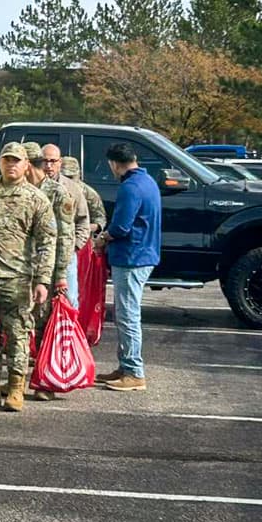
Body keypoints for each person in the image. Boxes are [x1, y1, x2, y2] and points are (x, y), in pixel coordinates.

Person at [0, 142, 56, 413]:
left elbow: (48, 241)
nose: (11, 165)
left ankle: (15, 387)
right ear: (0, 163)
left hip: (18, 278)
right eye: (6, 160)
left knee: (18, 334)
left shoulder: (36, 199)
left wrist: (43, 281)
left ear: (26, 165)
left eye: (17, 161)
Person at [93, 142, 161, 392]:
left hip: (132, 257)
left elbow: (121, 227)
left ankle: (134, 371)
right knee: (126, 313)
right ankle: (125, 366)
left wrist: (103, 237)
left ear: (114, 163)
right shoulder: (148, 182)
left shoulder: (130, 187)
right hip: (144, 254)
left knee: (128, 315)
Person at [23, 142, 75, 402]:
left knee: (44, 326)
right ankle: (17, 378)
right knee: (20, 325)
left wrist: (62, 273)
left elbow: (65, 236)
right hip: (22, 267)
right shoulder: (20, 190)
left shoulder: (57, 193)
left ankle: (45, 381)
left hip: (48, 267)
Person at [43, 144, 89, 312]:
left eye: (52, 161)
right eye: (44, 161)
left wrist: (74, 247)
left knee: (68, 301)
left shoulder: (72, 188)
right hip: (40, 255)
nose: (48, 166)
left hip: (66, 255)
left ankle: (67, 337)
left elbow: (83, 221)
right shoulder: (33, 186)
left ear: (59, 162)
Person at [62, 156, 107, 238]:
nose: (68, 180)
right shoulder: (54, 189)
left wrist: (85, 227)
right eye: (65, 177)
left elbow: (100, 219)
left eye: (71, 177)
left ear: (79, 174)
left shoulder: (89, 194)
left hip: (81, 237)